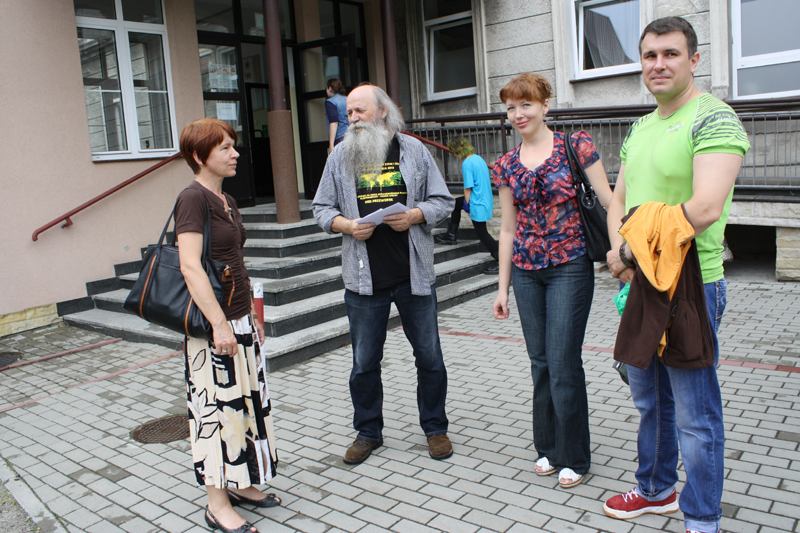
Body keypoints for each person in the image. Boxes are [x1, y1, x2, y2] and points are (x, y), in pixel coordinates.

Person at [602, 17, 749, 533]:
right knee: (649, 400)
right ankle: (655, 490)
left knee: (694, 413)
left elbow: (704, 207)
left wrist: (629, 250)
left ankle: (702, 518)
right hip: (641, 281)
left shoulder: (715, 119)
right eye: (650, 55)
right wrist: (618, 255)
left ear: (694, 60)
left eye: (671, 54)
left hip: (692, 284)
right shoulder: (641, 127)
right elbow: (618, 200)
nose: (659, 64)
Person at [312, 83, 455, 465]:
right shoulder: (339, 156)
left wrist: (415, 215)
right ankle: (368, 432)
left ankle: (435, 428)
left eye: (359, 111)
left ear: (382, 111)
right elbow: (321, 208)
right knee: (364, 363)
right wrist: (346, 225)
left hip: (413, 276)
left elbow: (443, 201)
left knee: (430, 358)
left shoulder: (414, 151)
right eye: (349, 113)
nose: (353, 119)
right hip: (363, 281)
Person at [491, 73, 612, 489]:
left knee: (562, 363)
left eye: (526, 104)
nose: (518, 114)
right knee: (540, 363)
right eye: (510, 107)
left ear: (545, 105)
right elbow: (508, 228)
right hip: (526, 272)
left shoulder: (575, 146)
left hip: (569, 267)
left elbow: (609, 201)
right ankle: (547, 447)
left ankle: (574, 455)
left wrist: (621, 251)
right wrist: (502, 287)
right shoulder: (506, 165)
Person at [176, 119, 280, 533]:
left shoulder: (227, 200)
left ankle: (241, 484)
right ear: (199, 156)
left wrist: (251, 316)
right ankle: (216, 504)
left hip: (238, 320)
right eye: (224, 148)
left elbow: (235, 262)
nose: (235, 153)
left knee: (244, 407)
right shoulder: (192, 199)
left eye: (233, 145)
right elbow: (190, 266)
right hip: (212, 329)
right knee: (216, 413)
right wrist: (219, 325)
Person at [435, 137, 500, 274]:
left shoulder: (467, 163)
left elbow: (467, 188)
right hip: (485, 200)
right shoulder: (479, 159)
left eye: (454, 151)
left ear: (459, 150)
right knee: (455, 204)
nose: (454, 154)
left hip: (477, 202)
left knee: (482, 233)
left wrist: (468, 206)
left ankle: (500, 259)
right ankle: (451, 234)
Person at [325, 78, 349, 152]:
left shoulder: (330, 102)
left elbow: (334, 122)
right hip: (352, 134)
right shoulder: (348, 99)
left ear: (330, 88)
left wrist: (331, 144)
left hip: (340, 137)